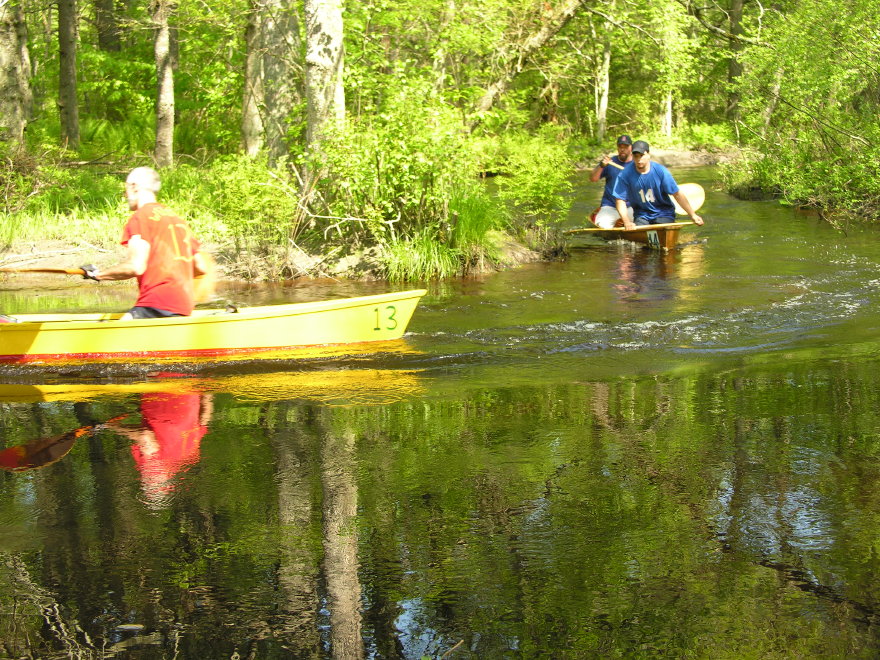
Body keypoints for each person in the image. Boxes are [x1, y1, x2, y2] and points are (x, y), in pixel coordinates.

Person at [81, 167, 207, 320]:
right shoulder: (176, 218)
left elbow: (135, 266)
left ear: (134, 187)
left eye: (125, 189)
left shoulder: (141, 217)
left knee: (114, 339)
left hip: (156, 303)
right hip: (184, 306)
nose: (125, 195)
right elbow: (200, 267)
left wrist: (98, 275)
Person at [612, 140, 703, 230]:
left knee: (662, 226)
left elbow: (677, 194)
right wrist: (627, 222)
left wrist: (692, 215)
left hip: (664, 213)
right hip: (642, 215)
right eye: (636, 156)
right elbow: (620, 200)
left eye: (642, 155)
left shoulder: (661, 171)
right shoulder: (625, 174)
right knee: (641, 228)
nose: (639, 159)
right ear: (632, 156)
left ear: (648, 155)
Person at [589, 134, 635, 229]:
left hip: (632, 207)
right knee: (603, 225)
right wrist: (601, 165)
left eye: (625, 147)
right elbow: (593, 179)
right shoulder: (610, 163)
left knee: (643, 222)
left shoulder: (637, 163)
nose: (622, 149)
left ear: (631, 147)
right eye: (620, 146)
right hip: (610, 207)